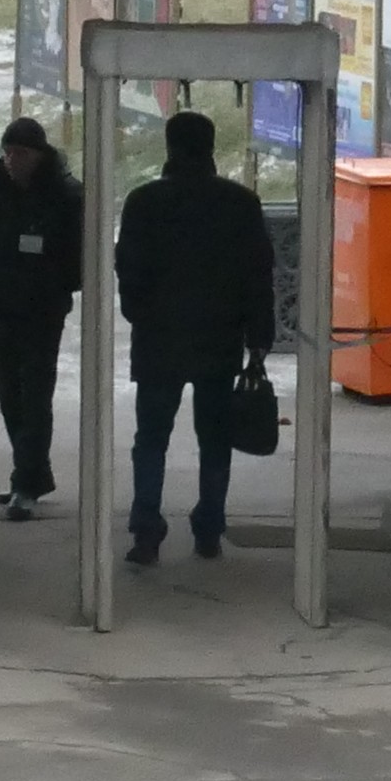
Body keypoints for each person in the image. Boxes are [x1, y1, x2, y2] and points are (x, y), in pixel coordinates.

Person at [114, 109, 281, 565]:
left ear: (169, 147)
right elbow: (257, 274)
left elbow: (128, 271)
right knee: (214, 436)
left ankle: (146, 529)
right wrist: (258, 337)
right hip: (218, 340)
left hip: (158, 341)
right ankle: (209, 526)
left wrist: (142, 315)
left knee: (151, 437)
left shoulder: (143, 201)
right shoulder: (239, 203)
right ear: (210, 149)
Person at [0, 115, 85, 520]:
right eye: (9, 152)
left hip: (42, 312)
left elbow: (78, 255)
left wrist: (57, 286)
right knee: (9, 395)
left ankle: (26, 481)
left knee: (35, 397)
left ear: (40, 153)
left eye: (22, 153)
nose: (14, 160)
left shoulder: (64, 194)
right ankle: (31, 474)